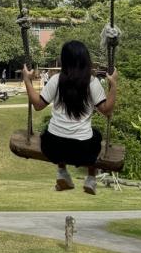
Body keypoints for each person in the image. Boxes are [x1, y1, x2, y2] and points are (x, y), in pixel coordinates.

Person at [22, 41, 117, 195]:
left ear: (64, 60)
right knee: (96, 136)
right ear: (86, 59)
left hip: (52, 148)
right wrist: (114, 85)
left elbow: (38, 105)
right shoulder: (92, 83)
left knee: (49, 132)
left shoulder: (56, 80)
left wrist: (27, 80)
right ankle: (91, 179)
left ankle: (62, 172)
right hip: (83, 151)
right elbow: (107, 110)